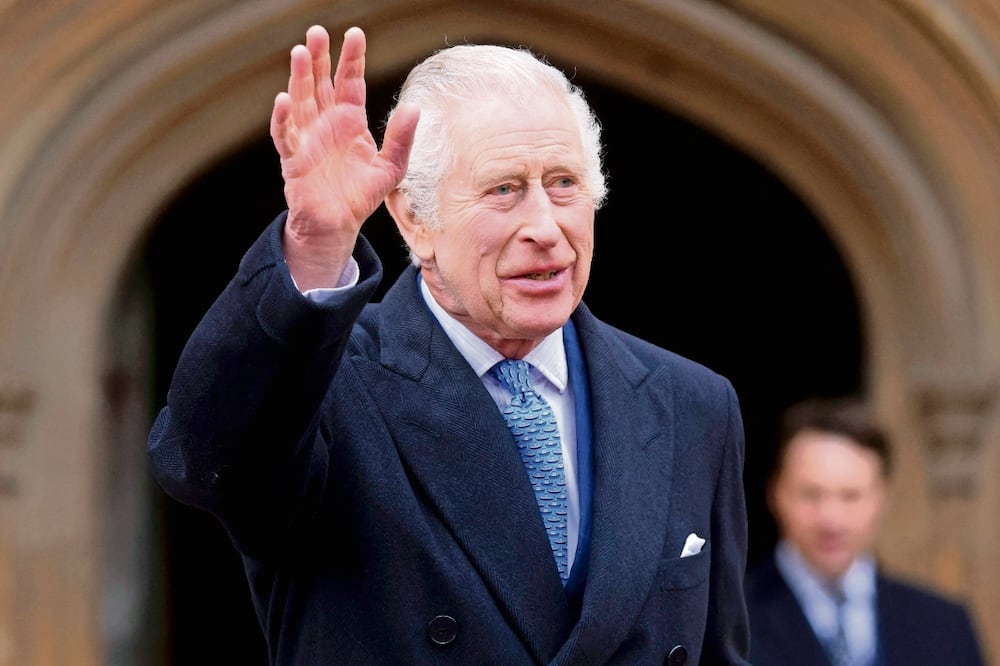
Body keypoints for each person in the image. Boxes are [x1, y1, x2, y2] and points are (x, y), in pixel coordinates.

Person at [147, 24, 751, 665]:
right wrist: (318, 242)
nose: (545, 227)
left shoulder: (694, 404)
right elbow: (206, 459)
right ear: (414, 218)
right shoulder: (328, 389)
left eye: (565, 184)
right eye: (504, 189)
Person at [744, 397, 987, 666]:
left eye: (850, 496)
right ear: (775, 494)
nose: (831, 519)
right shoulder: (728, 622)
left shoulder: (944, 625)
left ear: (882, 498)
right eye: (811, 494)